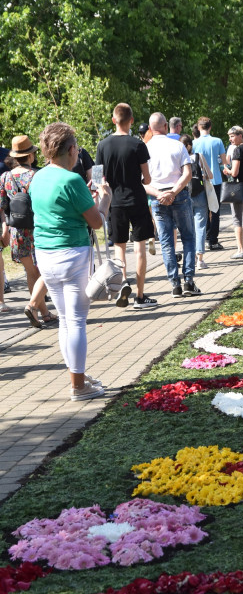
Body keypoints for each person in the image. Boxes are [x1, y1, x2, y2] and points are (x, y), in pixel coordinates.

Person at [29, 122, 112, 400]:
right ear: (72, 150)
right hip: (72, 253)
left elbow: (57, 207)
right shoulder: (72, 180)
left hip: (45, 255)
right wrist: (105, 201)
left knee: (65, 319)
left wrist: (85, 197)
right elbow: (97, 222)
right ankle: (78, 386)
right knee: (76, 321)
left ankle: (76, 375)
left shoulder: (38, 177)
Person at [95, 102, 157, 309]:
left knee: (119, 248)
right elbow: (147, 178)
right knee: (139, 248)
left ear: (114, 120)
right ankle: (140, 296)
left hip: (115, 202)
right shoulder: (138, 145)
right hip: (137, 200)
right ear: (131, 120)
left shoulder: (102, 145)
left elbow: (97, 178)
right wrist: (142, 181)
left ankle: (123, 283)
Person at [0, 135, 56, 326]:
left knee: (31, 274)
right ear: (30, 156)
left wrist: (5, 229)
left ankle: (43, 313)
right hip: (39, 229)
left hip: (18, 232)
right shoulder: (37, 175)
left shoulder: (5, 177)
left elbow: (2, 207)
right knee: (47, 272)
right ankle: (39, 310)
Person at [145, 113, 200, 297]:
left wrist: (160, 194)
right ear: (166, 126)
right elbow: (187, 173)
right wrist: (173, 192)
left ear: (151, 128)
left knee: (167, 242)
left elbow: (141, 181)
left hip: (157, 197)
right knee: (188, 237)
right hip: (179, 194)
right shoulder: (177, 145)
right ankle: (189, 281)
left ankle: (174, 284)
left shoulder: (145, 148)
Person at [193, 116, 227, 250]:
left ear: (199, 127)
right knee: (216, 210)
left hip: (200, 181)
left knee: (203, 210)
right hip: (216, 180)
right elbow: (224, 162)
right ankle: (213, 240)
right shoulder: (217, 141)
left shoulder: (194, 143)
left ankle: (205, 237)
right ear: (210, 127)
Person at [222, 125, 243, 260]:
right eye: (229, 136)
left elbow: (234, 172)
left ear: (240, 135)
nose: (230, 139)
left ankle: (240, 250)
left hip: (239, 187)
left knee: (237, 219)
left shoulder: (237, 150)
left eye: (232, 136)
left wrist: (227, 170)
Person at [180, 133, 212, 269]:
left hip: (185, 195)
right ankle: (200, 259)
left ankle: (191, 257)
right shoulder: (199, 157)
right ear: (190, 145)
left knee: (189, 228)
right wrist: (203, 176)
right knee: (200, 226)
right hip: (200, 195)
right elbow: (210, 175)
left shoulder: (179, 159)